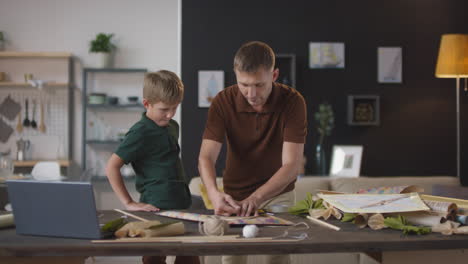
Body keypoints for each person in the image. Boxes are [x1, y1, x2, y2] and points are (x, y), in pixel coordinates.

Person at [198, 41, 307, 264]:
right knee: (231, 260)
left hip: (278, 194)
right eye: (244, 84)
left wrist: (257, 197)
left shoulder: (293, 102)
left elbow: (292, 165)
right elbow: (206, 157)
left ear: (274, 75)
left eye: (259, 85)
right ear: (235, 75)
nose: (251, 93)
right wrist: (213, 193)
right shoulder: (222, 102)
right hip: (234, 196)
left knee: (278, 259)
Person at [106, 70, 199, 264]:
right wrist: (129, 203)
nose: (171, 114)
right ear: (147, 104)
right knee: (154, 260)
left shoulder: (172, 126)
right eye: (164, 109)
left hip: (182, 204)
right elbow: (112, 167)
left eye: (175, 107)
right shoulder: (139, 132)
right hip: (155, 209)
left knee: (190, 259)